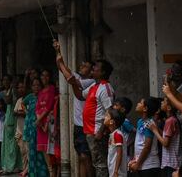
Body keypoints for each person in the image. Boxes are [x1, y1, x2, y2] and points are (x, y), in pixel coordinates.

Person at [54, 41, 114, 177]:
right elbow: (80, 95)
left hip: (96, 131)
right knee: (93, 162)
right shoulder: (94, 87)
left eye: (96, 68)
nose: (93, 70)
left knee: (99, 164)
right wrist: (73, 85)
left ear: (103, 72)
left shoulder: (105, 88)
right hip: (89, 131)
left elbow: (109, 111)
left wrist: (101, 131)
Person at [147, 96, 181, 177]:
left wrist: (154, 130)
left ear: (169, 107)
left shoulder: (170, 121)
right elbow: (166, 136)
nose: (161, 103)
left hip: (171, 162)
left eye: (164, 102)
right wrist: (157, 128)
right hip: (172, 161)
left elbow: (166, 143)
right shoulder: (172, 120)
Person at [128, 97, 160, 176]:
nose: (138, 104)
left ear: (145, 109)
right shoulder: (140, 121)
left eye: (140, 103)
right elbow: (140, 143)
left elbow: (147, 147)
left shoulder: (149, 123)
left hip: (150, 166)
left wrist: (138, 164)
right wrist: (135, 160)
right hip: (143, 165)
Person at [23, 77, 48, 177]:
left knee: (41, 150)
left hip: (41, 125)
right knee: (32, 149)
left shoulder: (43, 96)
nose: (36, 87)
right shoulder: (30, 96)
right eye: (34, 85)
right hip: (31, 125)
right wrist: (27, 113)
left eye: (38, 85)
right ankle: (33, 173)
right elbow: (22, 103)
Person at [36, 69, 58, 175]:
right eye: (42, 75)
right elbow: (37, 107)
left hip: (49, 124)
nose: (44, 78)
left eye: (47, 76)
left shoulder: (52, 89)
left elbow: (49, 106)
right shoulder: (40, 92)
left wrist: (39, 119)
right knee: (45, 153)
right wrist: (38, 119)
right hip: (40, 124)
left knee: (51, 154)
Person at [0, 75, 21, 173]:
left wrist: (12, 87)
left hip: (12, 118)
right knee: (8, 143)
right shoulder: (7, 91)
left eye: (7, 80)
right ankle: (8, 165)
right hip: (8, 118)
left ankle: (11, 166)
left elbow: (8, 101)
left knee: (12, 143)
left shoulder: (13, 91)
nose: (5, 82)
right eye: (4, 80)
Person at [104, 109, 128, 177]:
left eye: (107, 116)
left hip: (118, 173)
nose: (104, 117)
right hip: (113, 171)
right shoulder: (113, 134)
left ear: (112, 121)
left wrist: (116, 171)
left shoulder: (117, 135)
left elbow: (119, 153)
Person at [13, 81, 30, 175]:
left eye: (22, 87)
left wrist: (22, 113)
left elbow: (28, 113)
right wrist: (21, 113)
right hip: (20, 130)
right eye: (19, 87)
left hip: (28, 130)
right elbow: (15, 112)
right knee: (23, 152)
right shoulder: (19, 100)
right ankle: (25, 170)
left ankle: (27, 171)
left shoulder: (30, 99)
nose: (21, 89)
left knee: (28, 152)